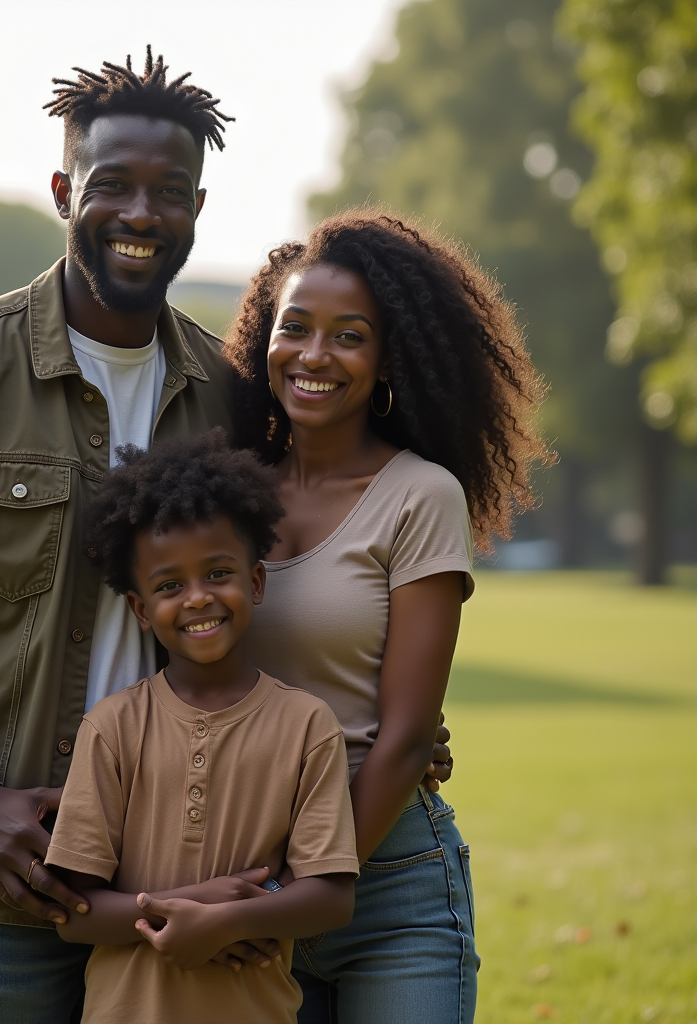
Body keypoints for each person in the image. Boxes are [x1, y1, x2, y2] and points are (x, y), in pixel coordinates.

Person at [0, 48, 453, 1022]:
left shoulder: (226, 397)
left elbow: (291, 569)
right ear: (66, 189)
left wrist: (398, 718)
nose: (141, 214)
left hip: (187, 878)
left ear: (198, 207)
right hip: (10, 882)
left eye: (170, 191)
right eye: (112, 185)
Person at [223, 208, 550, 1023]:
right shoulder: (222, 496)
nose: (314, 355)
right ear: (265, 336)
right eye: (294, 327)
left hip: (389, 882)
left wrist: (302, 891)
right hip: (240, 869)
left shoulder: (419, 496)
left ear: (388, 357)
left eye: (350, 335)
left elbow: (405, 738)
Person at [43, 431, 359, 1024]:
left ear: (256, 582)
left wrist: (227, 921)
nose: (196, 599)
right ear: (140, 609)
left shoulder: (307, 725)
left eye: (217, 573)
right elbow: (77, 914)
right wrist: (196, 905)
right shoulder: (112, 728)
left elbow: (331, 897)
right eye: (169, 586)